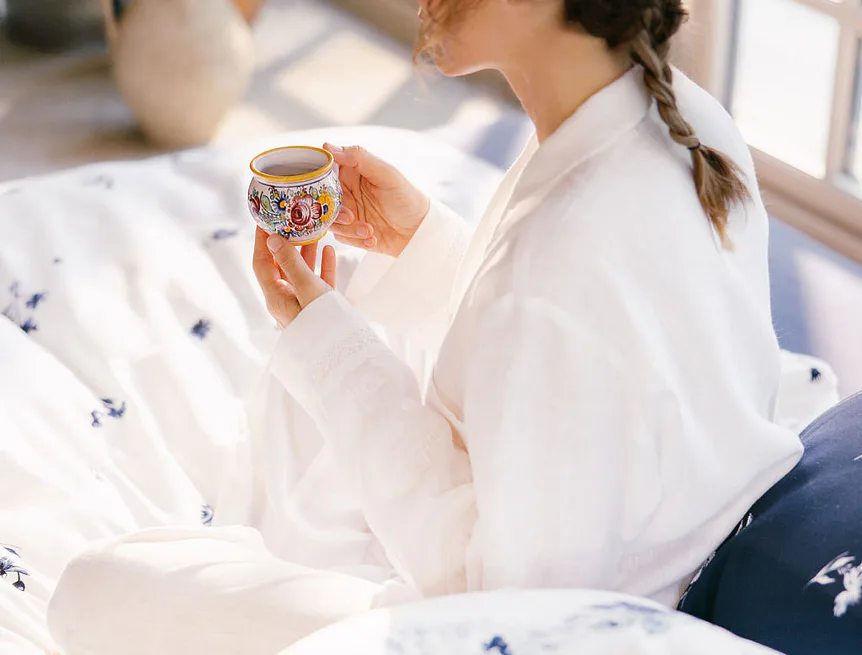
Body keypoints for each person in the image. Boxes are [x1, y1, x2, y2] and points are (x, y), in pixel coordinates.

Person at [46, 1, 829, 654]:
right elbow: (572, 365)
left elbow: (487, 599)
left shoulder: (565, 254)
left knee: (94, 588)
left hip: (555, 619)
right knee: (326, 362)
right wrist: (419, 242)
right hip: (620, 535)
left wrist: (330, 348)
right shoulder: (687, 121)